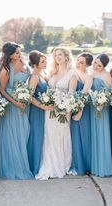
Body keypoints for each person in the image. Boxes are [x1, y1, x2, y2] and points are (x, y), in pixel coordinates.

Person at [35, 47, 77, 180]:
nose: (57, 57)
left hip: (64, 111)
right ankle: (49, 165)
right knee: (49, 136)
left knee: (61, 136)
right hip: (50, 111)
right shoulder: (52, 73)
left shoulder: (72, 74)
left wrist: (65, 108)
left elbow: (71, 96)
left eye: (60, 54)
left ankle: (61, 165)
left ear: (66, 56)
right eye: (55, 55)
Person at [0, 42, 33, 179]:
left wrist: (24, 98)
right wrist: (15, 102)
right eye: (16, 53)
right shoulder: (6, 69)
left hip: (24, 104)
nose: (19, 55)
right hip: (12, 106)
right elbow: (2, 90)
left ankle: (24, 164)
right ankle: (14, 168)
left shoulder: (26, 66)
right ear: (10, 55)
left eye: (19, 52)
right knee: (12, 136)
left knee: (24, 133)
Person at [27, 50, 53, 175]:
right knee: (37, 136)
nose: (45, 63)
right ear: (35, 63)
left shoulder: (43, 74)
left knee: (44, 136)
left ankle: (44, 161)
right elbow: (29, 97)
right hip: (37, 112)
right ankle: (35, 165)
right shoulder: (34, 77)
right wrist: (43, 106)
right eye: (42, 61)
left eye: (45, 60)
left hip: (45, 111)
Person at [70, 52, 93, 175]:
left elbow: (84, 95)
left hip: (83, 110)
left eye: (82, 62)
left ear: (88, 65)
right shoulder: (73, 73)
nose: (78, 63)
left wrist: (79, 111)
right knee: (74, 137)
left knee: (84, 136)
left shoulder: (88, 77)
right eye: (78, 60)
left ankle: (86, 165)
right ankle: (76, 162)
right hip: (73, 106)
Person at [90, 53, 112, 177]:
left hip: (102, 109)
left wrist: (101, 104)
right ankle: (95, 166)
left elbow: (109, 93)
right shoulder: (91, 73)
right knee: (94, 135)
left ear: (104, 66)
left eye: (99, 65)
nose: (96, 66)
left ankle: (103, 168)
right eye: (95, 63)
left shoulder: (106, 75)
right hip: (92, 107)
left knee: (102, 135)